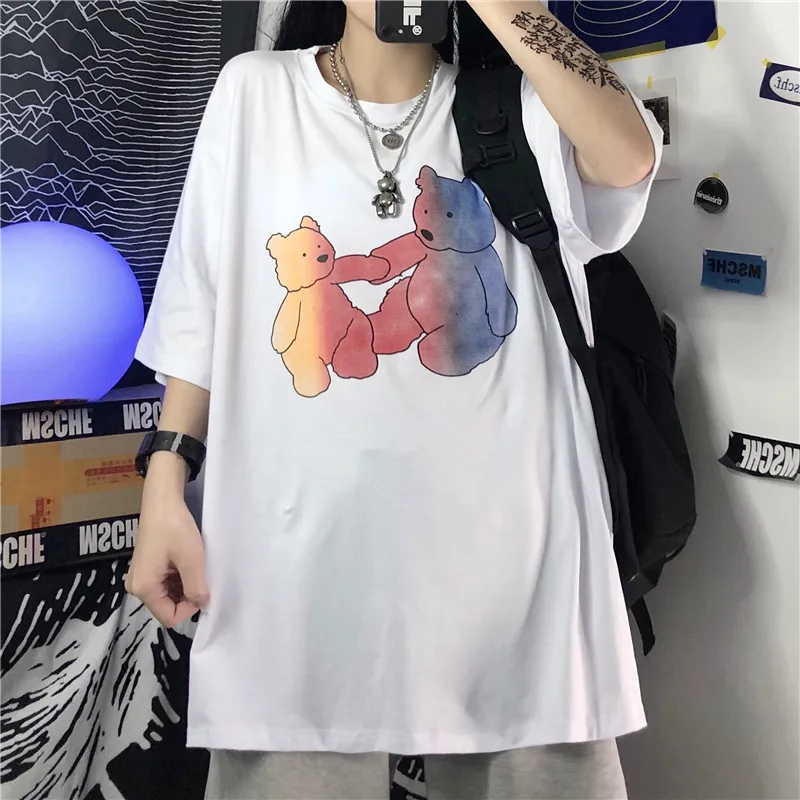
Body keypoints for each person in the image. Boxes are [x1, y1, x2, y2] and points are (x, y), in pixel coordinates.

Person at [126, 1, 663, 798]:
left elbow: (627, 157)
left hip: (517, 583)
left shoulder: (513, 106)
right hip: (294, 569)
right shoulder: (255, 92)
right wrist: (165, 489)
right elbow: (198, 313)